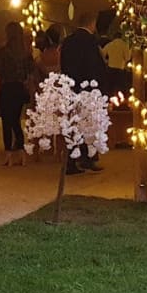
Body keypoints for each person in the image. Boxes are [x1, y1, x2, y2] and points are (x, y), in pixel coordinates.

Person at [60, 12, 108, 175]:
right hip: (88, 88)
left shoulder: (68, 41)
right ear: (92, 24)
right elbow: (95, 66)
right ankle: (88, 158)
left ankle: (71, 161)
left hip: (71, 87)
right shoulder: (90, 42)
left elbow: (63, 64)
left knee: (73, 124)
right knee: (89, 124)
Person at [0, 21, 35, 167]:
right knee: (16, 121)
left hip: (6, 88)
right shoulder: (26, 53)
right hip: (19, 88)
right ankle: (21, 151)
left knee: (7, 121)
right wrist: (30, 91)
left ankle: (9, 154)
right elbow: (30, 74)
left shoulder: (2, 52)